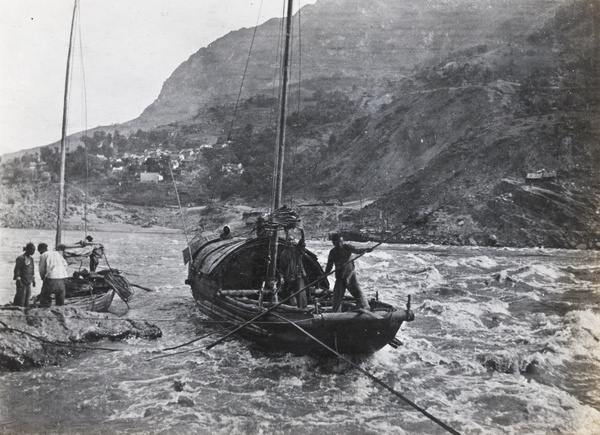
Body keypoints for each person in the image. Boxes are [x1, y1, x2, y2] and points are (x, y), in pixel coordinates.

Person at [324, 233, 372, 312]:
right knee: (337, 298)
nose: (339, 244)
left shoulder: (347, 247)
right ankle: (335, 315)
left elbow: (357, 250)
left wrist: (366, 249)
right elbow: (329, 266)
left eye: (341, 242)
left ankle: (366, 309)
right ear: (333, 243)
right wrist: (324, 275)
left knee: (358, 293)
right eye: (337, 242)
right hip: (340, 278)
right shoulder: (332, 252)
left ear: (342, 241)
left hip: (350, 276)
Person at [279, 228, 308, 308]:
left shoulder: (298, 250)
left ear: (294, 241)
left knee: (300, 295)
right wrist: (282, 277)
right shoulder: (283, 254)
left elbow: (302, 242)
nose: (290, 242)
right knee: (288, 295)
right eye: (289, 240)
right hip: (289, 277)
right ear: (286, 242)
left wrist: (302, 231)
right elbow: (282, 267)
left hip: (298, 276)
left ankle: (302, 310)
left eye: (292, 240)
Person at [13, 242, 36, 307]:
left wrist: (33, 280)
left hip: (28, 281)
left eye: (34, 250)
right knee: (21, 298)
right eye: (32, 250)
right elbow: (17, 269)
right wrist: (19, 280)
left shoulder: (31, 259)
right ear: (27, 249)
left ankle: (25, 311)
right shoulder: (21, 258)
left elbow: (32, 270)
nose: (33, 252)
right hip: (22, 282)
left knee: (27, 298)